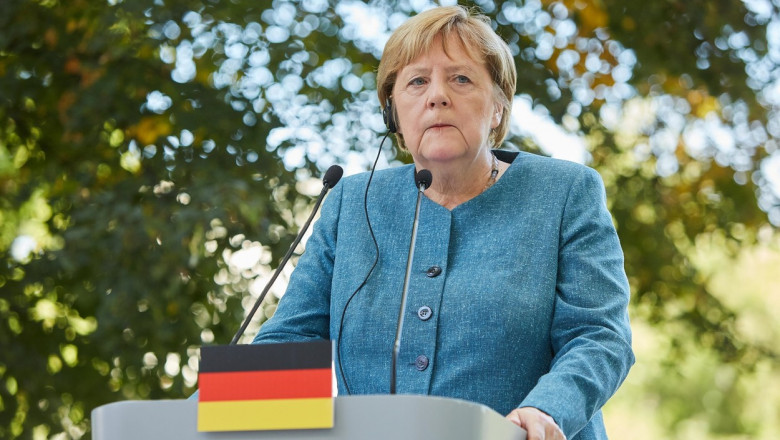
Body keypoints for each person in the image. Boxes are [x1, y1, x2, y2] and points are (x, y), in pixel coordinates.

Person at [253, 6, 634, 440]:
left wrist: (546, 409)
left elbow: (599, 336)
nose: (437, 96)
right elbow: (292, 340)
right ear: (393, 114)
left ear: (497, 109)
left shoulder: (565, 192)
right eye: (417, 81)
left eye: (461, 79)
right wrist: (198, 418)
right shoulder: (350, 202)